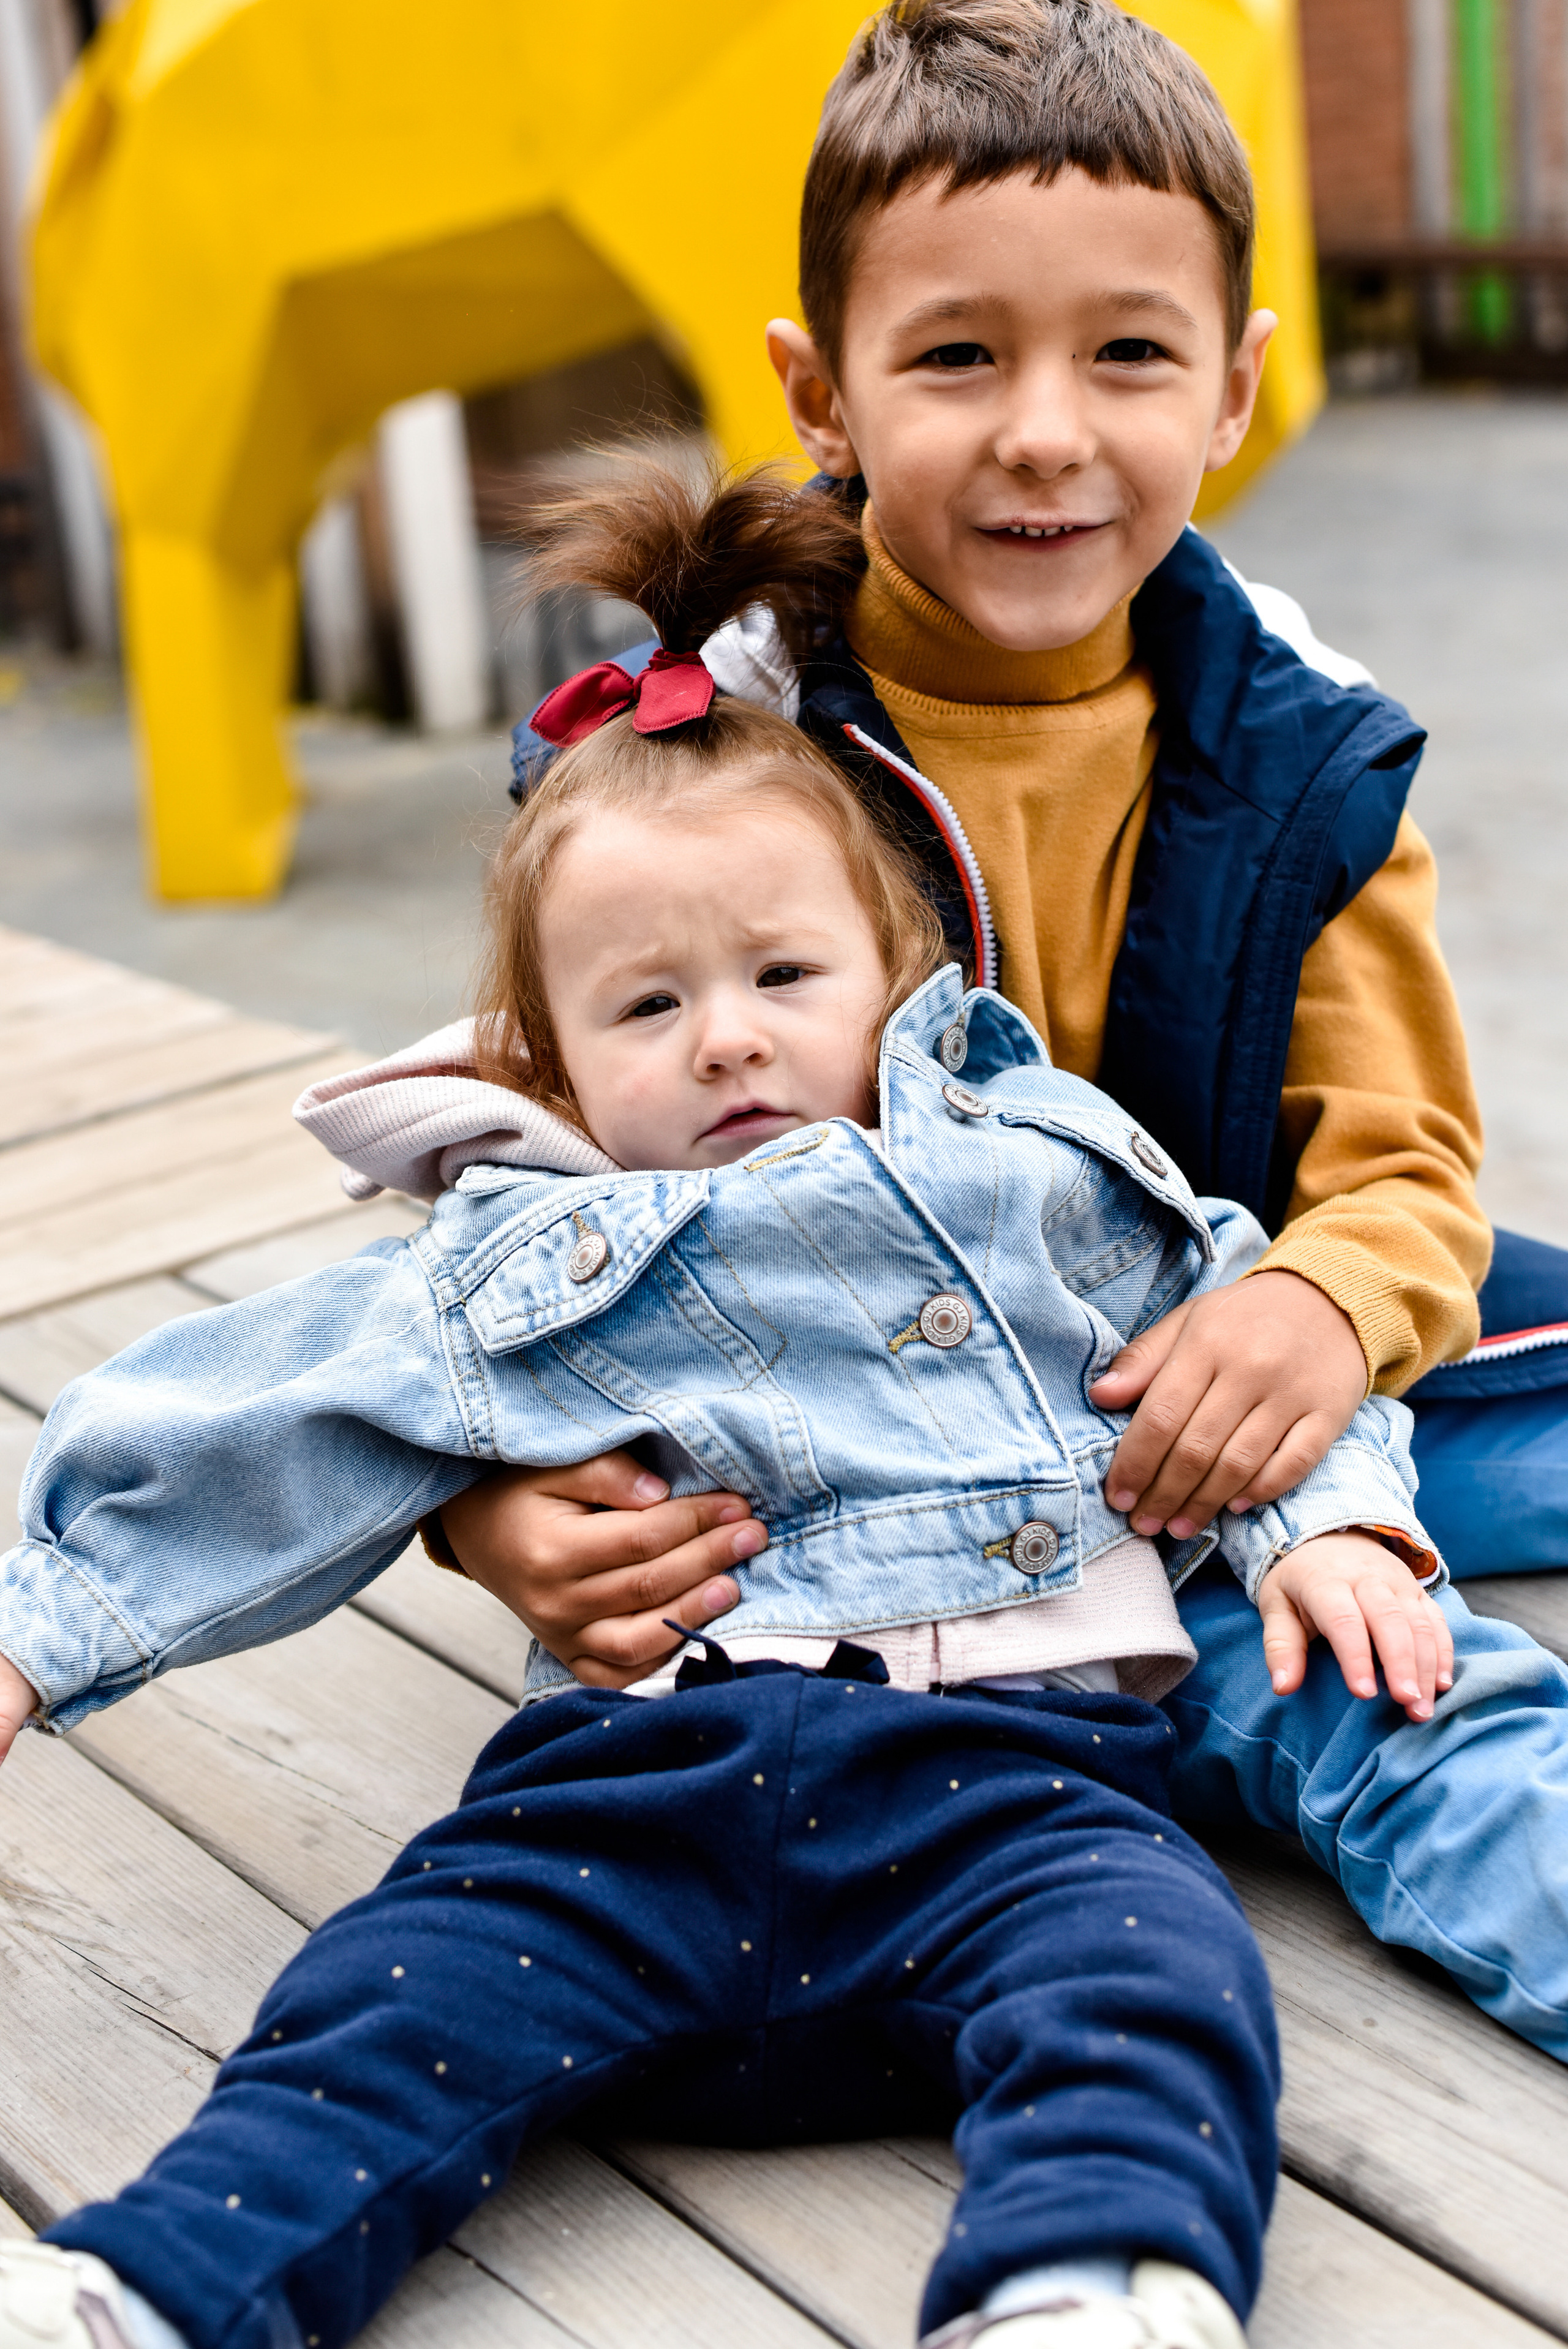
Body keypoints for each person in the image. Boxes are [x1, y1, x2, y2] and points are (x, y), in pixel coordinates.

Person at [0, 462, 1457, 2349]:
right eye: (648, 1006)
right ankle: (149, 2286)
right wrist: (34, 1639)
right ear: (548, 1059)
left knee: (1158, 1979)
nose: (730, 1035)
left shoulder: (1028, 1170)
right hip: (628, 1803)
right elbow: (259, 1416)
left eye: (782, 974)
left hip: (1011, 1785)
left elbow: (1225, 1312)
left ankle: (1085, 2281)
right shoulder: (524, 1248)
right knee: (386, 1997)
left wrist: (1333, 1525)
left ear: (899, 975)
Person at [437, 0, 1568, 2056]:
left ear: (1236, 387)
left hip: (1197, 1433)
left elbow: (1404, 1170)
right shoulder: (693, 762)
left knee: (1438, 1668)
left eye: (1129, 353)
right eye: (959, 355)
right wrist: (497, 1507)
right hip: (822, 1506)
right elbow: (505, 1184)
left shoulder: (1297, 754)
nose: (1046, 430)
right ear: (822, 390)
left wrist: (1317, 1312)